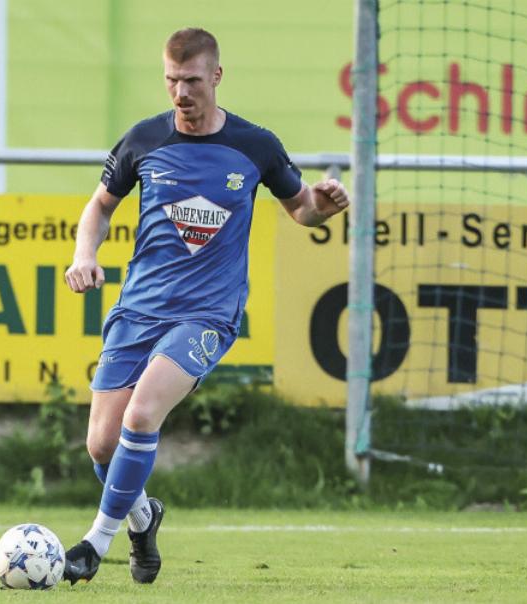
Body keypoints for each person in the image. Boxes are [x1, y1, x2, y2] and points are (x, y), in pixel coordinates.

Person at [62, 27, 350, 586]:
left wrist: (324, 206)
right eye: (171, 80)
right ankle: (143, 519)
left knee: (143, 415)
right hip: (137, 310)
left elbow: (301, 211)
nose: (180, 93)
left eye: (191, 80)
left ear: (216, 76)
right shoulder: (144, 140)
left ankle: (95, 545)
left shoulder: (255, 145)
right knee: (100, 442)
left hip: (206, 316)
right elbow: (99, 206)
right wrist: (84, 253)